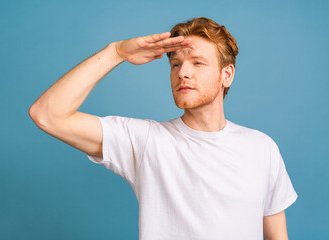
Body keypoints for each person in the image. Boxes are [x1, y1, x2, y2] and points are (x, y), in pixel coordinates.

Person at [29, 17, 298, 240]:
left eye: (197, 63)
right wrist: (117, 52)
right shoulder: (146, 140)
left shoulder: (262, 148)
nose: (182, 72)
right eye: (176, 64)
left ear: (226, 75)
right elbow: (47, 114)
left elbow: (277, 236)